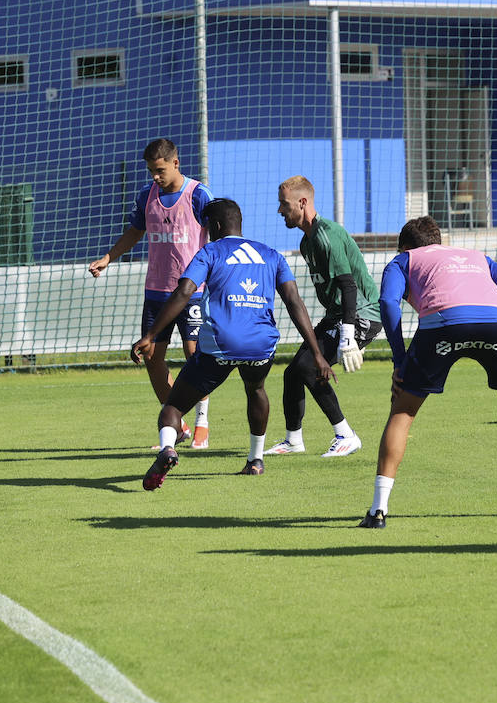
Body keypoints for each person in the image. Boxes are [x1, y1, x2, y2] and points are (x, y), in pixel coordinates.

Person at [358, 215, 497, 529]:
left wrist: (400, 360)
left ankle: (378, 511)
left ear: (405, 246)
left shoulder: (402, 260)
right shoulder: (475, 256)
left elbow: (388, 302)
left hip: (442, 326)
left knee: (404, 412)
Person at [132, 198, 332, 488]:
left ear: (214, 226)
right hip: (261, 345)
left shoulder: (210, 251)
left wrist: (150, 335)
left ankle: (168, 449)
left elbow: (183, 292)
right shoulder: (271, 255)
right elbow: (294, 302)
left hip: (221, 345)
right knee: (257, 389)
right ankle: (255, 460)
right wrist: (317, 353)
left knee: (172, 410)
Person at [90, 138, 214, 447]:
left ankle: (203, 420)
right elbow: (135, 231)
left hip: (191, 291)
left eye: (159, 170)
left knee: (194, 354)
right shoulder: (147, 196)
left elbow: (218, 236)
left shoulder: (199, 195)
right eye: (150, 171)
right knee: (151, 356)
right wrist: (108, 257)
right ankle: (178, 424)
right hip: (156, 292)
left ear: (176, 163)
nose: (155, 177)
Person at [265, 175, 381, 458]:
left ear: (302, 203)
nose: (280, 211)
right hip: (337, 315)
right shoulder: (307, 243)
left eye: (285, 204)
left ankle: (345, 434)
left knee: (307, 367)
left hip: (361, 314)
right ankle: (293, 440)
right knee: (293, 372)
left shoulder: (327, 235)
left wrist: (348, 335)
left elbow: (348, 285)